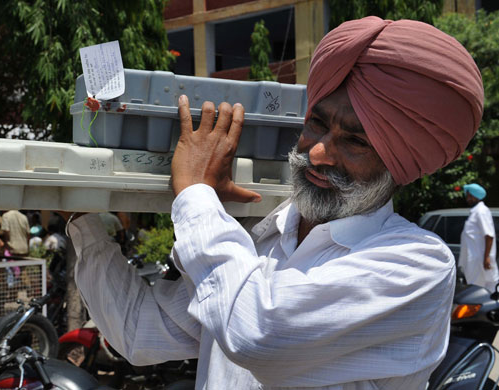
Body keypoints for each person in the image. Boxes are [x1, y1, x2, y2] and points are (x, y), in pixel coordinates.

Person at [67, 17, 484, 389]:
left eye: (354, 141)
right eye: (317, 124)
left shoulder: (415, 264)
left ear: (401, 162)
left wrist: (198, 197)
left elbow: (257, 333)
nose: (318, 153)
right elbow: (140, 330)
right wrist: (80, 212)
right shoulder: (262, 241)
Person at [459, 183, 498, 292]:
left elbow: (489, 235)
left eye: (468, 196)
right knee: (482, 290)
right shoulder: (476, 212)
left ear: (474, 196)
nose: (467, 199)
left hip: (480, 261)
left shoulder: (481, 211)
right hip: (475, 261)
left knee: (485, 291)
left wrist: (486, 258)